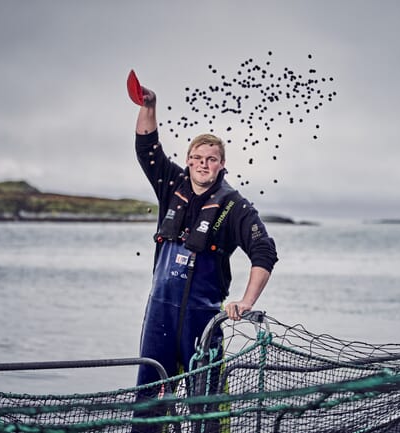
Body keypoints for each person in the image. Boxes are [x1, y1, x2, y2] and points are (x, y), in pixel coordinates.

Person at [129, 71, 278, 431]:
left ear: (221, 164)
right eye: (197, 158)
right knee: (149, 403)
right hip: (159, 319)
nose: (202, 164)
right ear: (188, 159)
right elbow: (146, 149)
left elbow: (265, 251)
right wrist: (149, 105)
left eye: (211, 159)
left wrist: (246, 301)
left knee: (208, 411)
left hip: (202, 323)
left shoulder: (235, 207)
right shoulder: (172, 185)